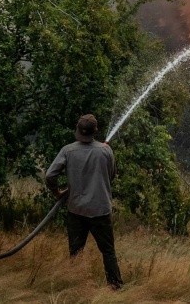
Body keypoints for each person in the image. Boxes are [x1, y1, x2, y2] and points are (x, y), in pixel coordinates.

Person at [46, 114, 124, 290]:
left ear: (78, 130)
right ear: (95, 131)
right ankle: (115, 286)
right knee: (108, 251)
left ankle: (76, 286)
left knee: (76, 252)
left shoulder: (68, 150)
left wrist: (57, 192)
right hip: (100, 210)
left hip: (76, 210)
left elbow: (50, 175)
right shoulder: (106, 150)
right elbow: (111, 175)